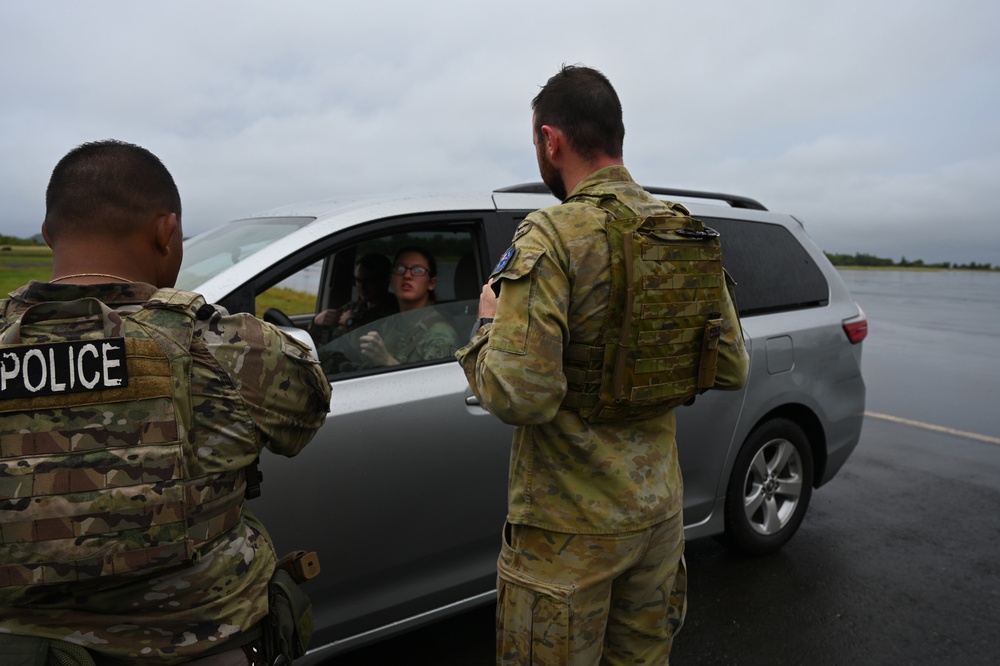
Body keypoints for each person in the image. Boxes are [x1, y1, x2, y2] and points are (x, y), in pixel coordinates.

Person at [456, 65, 749, 665]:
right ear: (617, 135)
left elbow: (521, 395)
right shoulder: (683, 231)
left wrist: (487, 326)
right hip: (658, 520)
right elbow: (730, 365)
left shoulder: (553, 235)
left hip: (569, 537)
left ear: (550, 140)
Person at [0, 140, 331, 665]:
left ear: (47, 235)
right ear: (167, 230)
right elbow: (305, 417)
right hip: (201, 644)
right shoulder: (229, 348)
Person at [356, 246, 458, 367]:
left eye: (418, 270)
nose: (407, 275)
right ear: (391, 280)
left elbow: (439, 383)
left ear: (431, 283)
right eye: (400, 269)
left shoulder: (440, 334)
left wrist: (387, 361)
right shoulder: (390, 324)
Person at [310, 252, 398, 340]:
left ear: (385, 281)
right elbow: (319, 336)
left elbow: (369, 348)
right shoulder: (354, 307)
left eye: (369, 281)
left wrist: (351, 323)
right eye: (358, 281)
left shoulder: (395, 313)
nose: (362, 287)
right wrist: (317, 322)